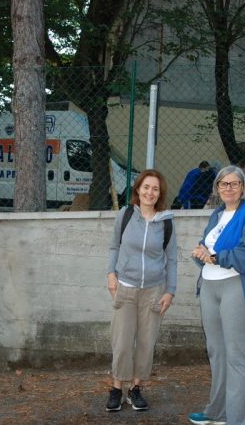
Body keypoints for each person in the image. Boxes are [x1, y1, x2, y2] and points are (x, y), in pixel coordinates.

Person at [188, 165, 245, 425]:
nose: (229, 188)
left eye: (234, 183)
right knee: (216, 352)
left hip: (236, 287)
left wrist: (214, 257)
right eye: (223, 184)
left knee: (236, 356)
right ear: (217, 188)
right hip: (209, 286)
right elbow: (207, 248)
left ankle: (237, 420)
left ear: (243, 187)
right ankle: (216, 412)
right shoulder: (216, 215)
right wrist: (201, 253)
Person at [106, 169, 177, 412]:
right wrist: (111, 274)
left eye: (155, 188)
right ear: (138, 189)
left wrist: (170, 291)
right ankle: (117, 388)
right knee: (122, 343)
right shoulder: (125, 215)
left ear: (160, 193)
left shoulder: (166, 222)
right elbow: (114, 247)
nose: (150, 192)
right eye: (146, 187)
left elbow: (172, 259)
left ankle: (136, 389)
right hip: (125, 288)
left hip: (154, 291)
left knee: (146, 343)